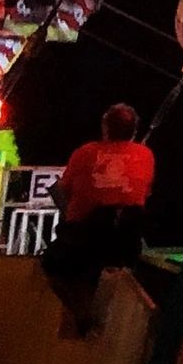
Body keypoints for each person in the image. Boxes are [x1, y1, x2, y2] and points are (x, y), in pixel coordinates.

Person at [41, 103, 154, 336]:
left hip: (84, 238)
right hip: (125, 241)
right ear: (133, 130)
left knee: (51, 267)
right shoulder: (145, 155)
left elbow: (65, 189)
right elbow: (145, 192)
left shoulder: (85, 152)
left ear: (105, 127)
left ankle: (84, 316)